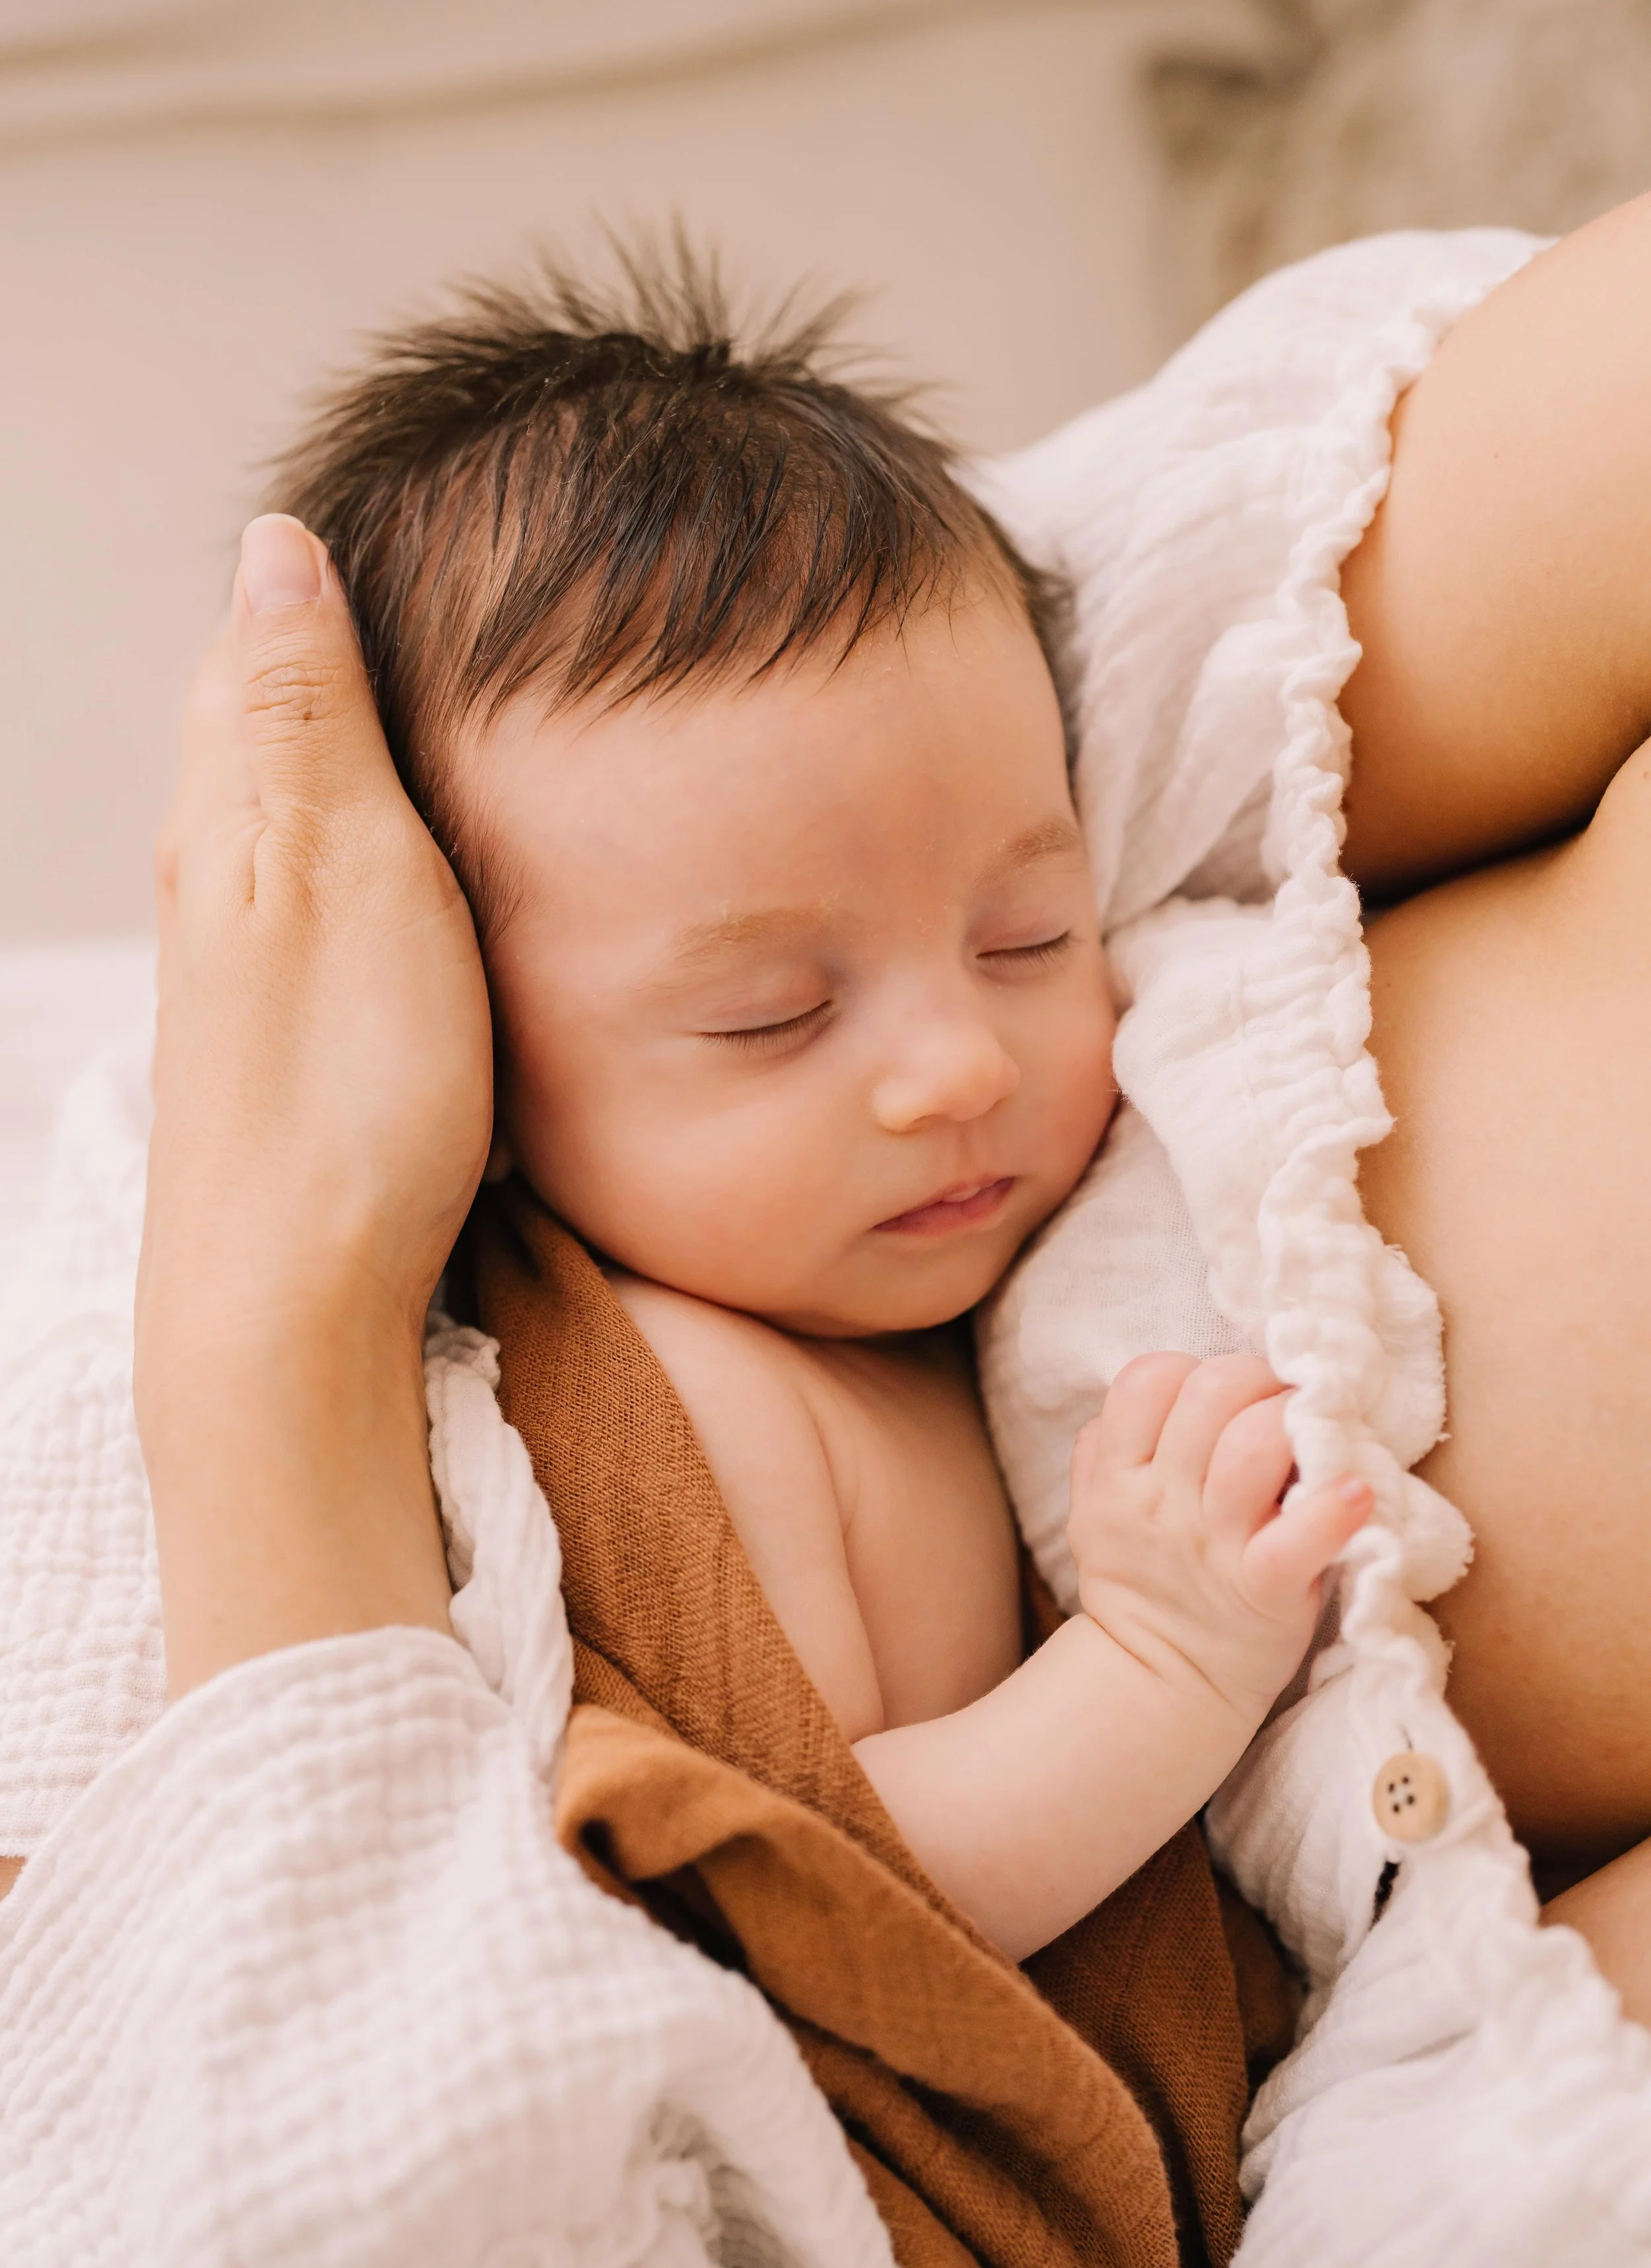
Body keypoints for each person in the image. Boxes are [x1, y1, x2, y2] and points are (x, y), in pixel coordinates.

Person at [122, 201, 1651, 2018]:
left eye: (1027, 928)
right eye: (774, 1014)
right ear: (480, 1066)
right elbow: (813, 1882)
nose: (959, 1066)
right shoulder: (699, 1394)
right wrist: (1155, 1663)